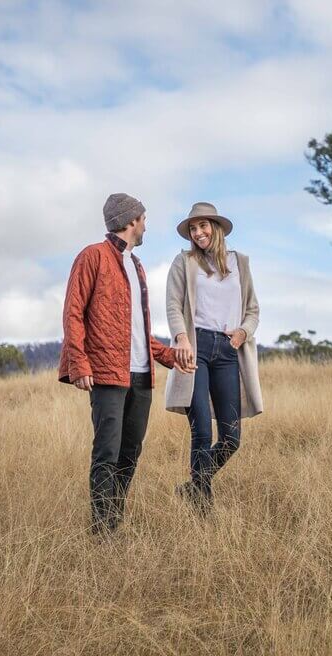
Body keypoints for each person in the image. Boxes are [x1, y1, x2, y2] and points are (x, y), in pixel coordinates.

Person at [58, 193, 192, 534]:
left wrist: (169, 357)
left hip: (141, 375)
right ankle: (102, 531)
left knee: (130, 452)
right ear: (131, 221)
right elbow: (73, 312)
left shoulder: (136, 266)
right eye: (144, 218)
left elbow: (137, 331)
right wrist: (79, 364)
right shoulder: (92, 257)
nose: (146, 224)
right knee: (107, 452)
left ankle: (114, 519)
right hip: (106, 373)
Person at [165, 201, 263, 515]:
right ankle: (202, 508)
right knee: (203, 432)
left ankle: (193, 485)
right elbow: (173, 306)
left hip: (228, 350)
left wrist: (242, 333)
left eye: (203, 226)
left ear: (216, 228)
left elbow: (253, 310)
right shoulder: (184, 262)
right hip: (196, 348)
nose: (198, 233)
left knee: (231, 437)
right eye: (193, 229)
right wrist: (181, 338)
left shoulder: (240, 263)